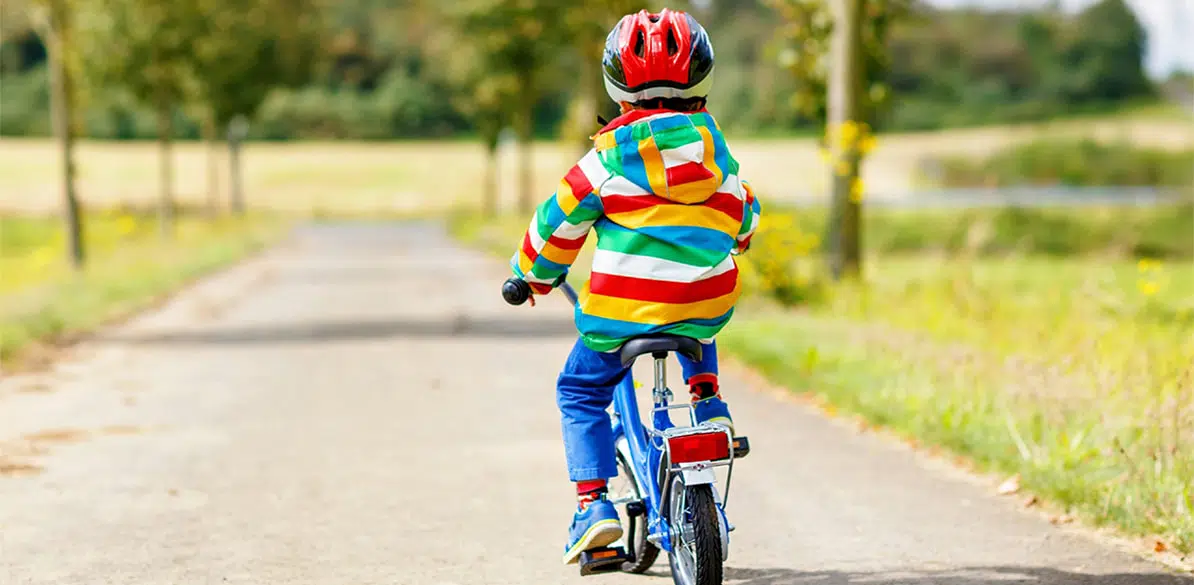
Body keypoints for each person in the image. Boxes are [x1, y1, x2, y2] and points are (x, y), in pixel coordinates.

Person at [508, 7, 761, 565]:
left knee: (580, 391)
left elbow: (555, 227)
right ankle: (707, 400)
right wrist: (737, 237)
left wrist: (532, 276)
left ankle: (593, 507)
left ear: (616, 90)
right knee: (696, 306)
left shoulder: (602, 165)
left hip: (622, 316)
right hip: (702, 304)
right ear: (703, 83)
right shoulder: (719, 160)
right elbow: (744, 213)